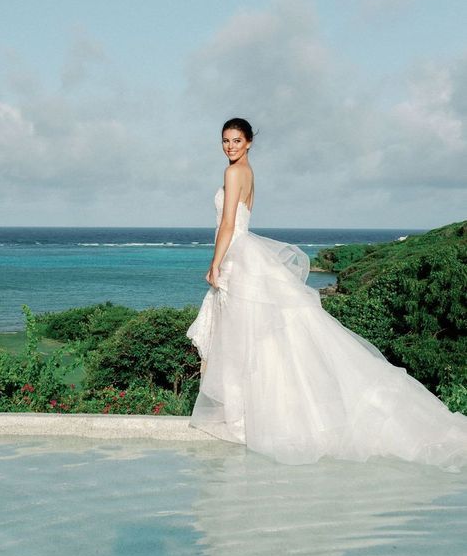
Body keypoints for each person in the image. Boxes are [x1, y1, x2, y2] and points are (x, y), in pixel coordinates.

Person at [186, 117, 467, 470]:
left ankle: (241, 411)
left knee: (242, 335)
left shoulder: (233, 174)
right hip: (244, 255)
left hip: (237, 255)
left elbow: (228, 225)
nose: (230, 147)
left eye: (237, 141)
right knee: (254, 336)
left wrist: (215, 263)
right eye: (225, 141)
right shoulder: (250, 172)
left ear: (249, 143)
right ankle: (250, 408)